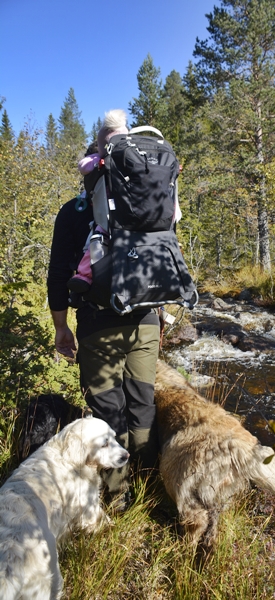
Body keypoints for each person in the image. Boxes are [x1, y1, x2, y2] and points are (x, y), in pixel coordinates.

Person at [47, 123, 160, 512]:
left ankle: (118, 497)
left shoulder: (74, 211)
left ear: (90, 170)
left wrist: (62, 328)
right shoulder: (148, 201)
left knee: (108, 409)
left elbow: (59, 275)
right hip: (147, 320)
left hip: (98, 324)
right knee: (142, 401)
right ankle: (148, 481)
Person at [67, 109, 128, 294]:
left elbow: (83, 166)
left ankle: (85, 275)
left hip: (110, 214)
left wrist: (96, 159)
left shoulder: (99, 159)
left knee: (95, 241)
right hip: (134, 213)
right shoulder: (135, 161)